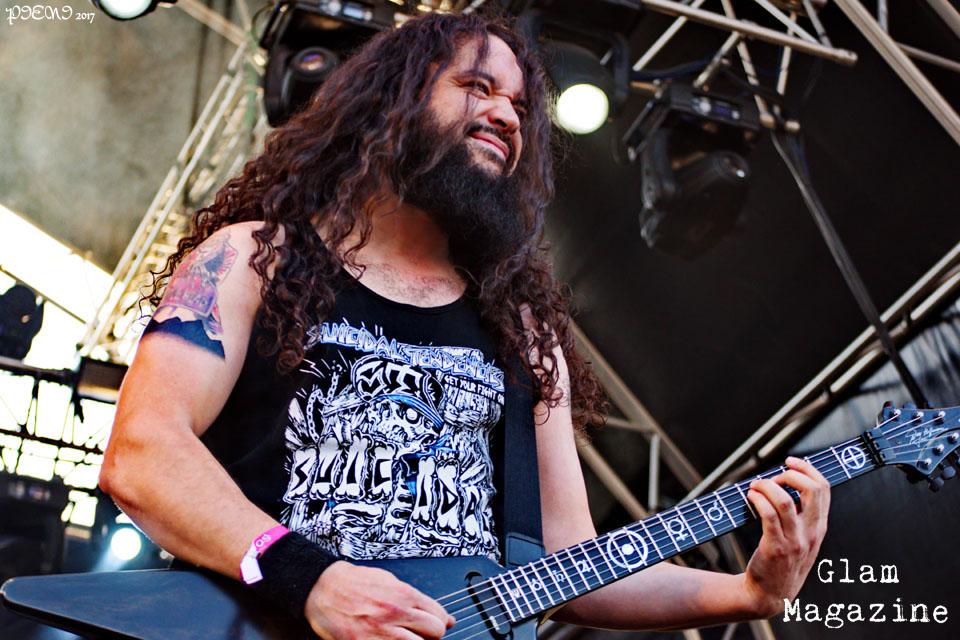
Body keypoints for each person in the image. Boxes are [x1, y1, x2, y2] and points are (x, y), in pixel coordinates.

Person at [99, 11, 830, 640]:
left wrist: (748, 592)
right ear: (391, 102)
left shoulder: (523, 333)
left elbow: (571, 566)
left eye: (519, 105)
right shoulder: (255, 258)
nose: (508, 116)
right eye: (478, 87)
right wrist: (309, 579)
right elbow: (143, 454)